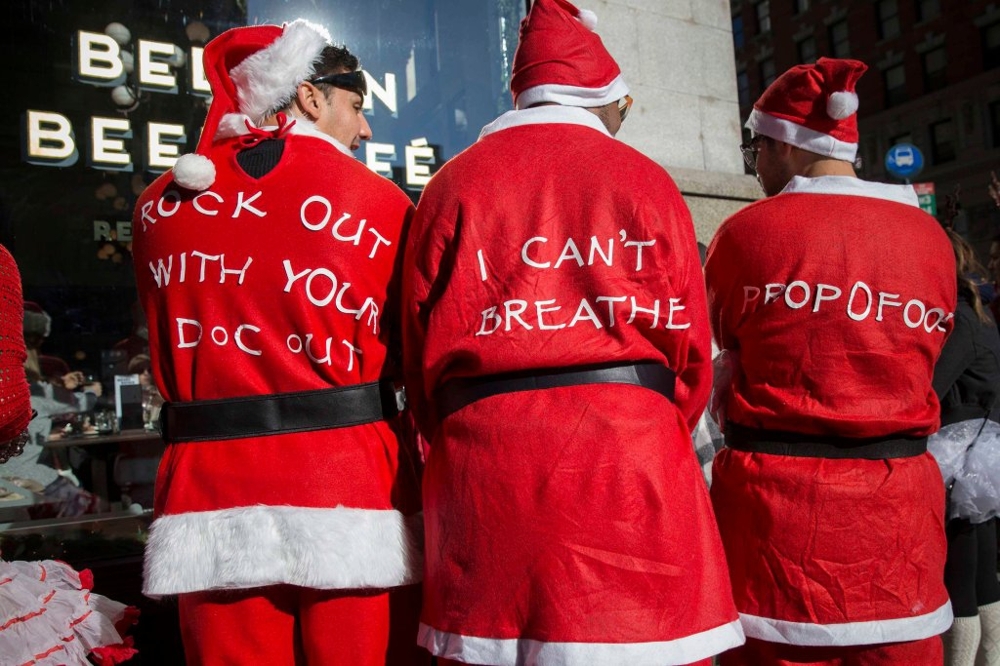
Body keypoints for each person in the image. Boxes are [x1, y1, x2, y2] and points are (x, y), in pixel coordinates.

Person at [402, 1, 743, 664]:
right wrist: (656, 422)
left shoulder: (449, 186)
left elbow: (420, 357)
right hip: (630, 455)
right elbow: (691, 350)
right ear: (604, 98)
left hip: (486, 462)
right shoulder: (646, 180)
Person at [130, 20, 425, 665]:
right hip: (351, 487)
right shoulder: (381, 202)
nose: (366, 129)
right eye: (356, 106)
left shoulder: (158, 204)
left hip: (208, 499)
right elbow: (412, 354)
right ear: (311, 98)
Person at [705, 57, 957, 665]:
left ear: (783, 146)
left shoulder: (745, 235)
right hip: (898, 520)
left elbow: (720, 355)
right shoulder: (929, 238)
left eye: (756, 149)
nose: (756, 166)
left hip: (776, 521)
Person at [0, 244, 138, 665]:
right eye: (31, 335)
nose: (36, 342)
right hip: (27, 478)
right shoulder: (29, 379)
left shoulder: (50, 367)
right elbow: (17, 409)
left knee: (94, 511)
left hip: (38, 475)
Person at [928, 230, 1000, 666]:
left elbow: (931, 387)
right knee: (982, 578)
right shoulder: (981, 315)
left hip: (960, 456)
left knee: (961, 580)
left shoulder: (961, 319)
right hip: (982, 452)